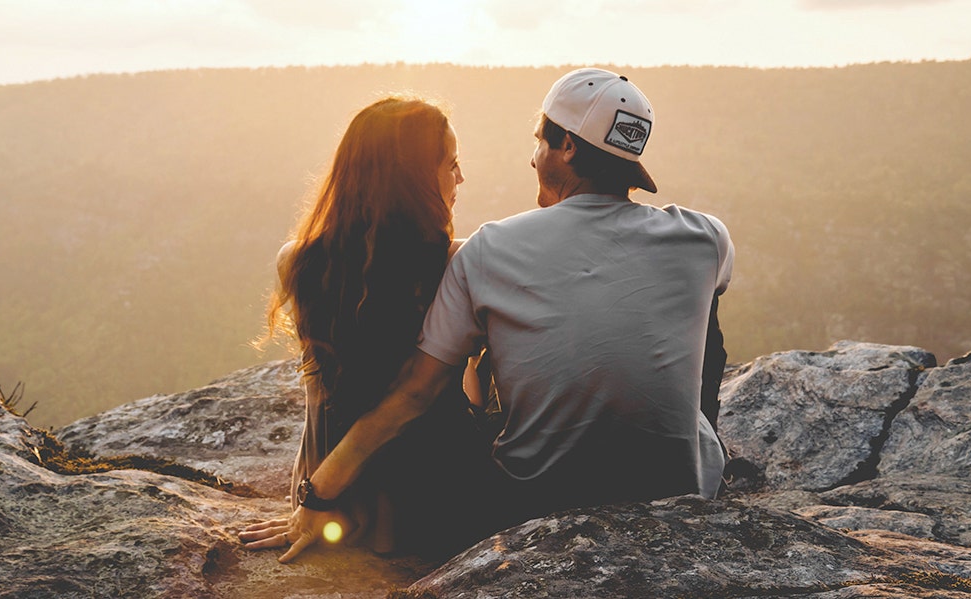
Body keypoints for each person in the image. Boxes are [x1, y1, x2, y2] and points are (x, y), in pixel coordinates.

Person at [244, 68, 734, 563]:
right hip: (680, 494)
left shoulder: (489, 251)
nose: (531, 155)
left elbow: (415, 392)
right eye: (452, 164)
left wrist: (318, 493)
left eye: (540, 140)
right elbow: (704, 337)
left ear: (565, 146)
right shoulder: (706, 237)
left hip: (530, 502)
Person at [239, 95, 490, 561]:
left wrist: (315, 497)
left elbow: (322, 396)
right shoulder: (459, 262)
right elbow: (424, 396)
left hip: (337, 496)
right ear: (413, 181)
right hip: (437, 495)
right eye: (451, 164)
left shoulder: (296, 261)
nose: (460, 178)